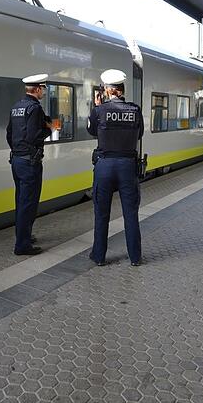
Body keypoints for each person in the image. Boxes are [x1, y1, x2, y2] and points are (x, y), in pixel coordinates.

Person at [87, 69, 145, 266]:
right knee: (131, 214)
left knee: (101, 214)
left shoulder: (99, 110)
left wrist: (97, 107)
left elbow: (92, 131)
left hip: (104, 166)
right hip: (128, 166)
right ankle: (135, 257)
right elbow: (139, 134)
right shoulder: (135, 110)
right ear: (122, 89)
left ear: (107, 90)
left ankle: (99, 256)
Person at [6, 74, 53, 255]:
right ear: (38, 89)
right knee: (29, 203)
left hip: (17, 160)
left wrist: (18, 150)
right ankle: (22, 246)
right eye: (43, 89)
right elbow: (34, 136)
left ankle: (23, 236)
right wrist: (49, 129)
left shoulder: (17, 107)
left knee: (21, 201)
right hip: (29, 163)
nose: (44, 93)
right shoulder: (35, 108)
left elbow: (9, 134)